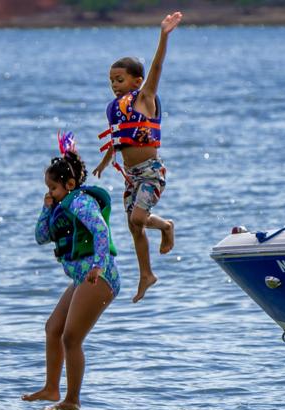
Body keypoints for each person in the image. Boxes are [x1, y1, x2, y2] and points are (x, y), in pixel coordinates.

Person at [23, 132, 120, 410]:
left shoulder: (80, 201)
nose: (50, 192)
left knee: (71, 337)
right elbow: (41, 237)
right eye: (48, 188)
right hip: (82, 277)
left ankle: (72, 401)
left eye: (53, 188)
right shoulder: (60, 204)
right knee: (53, 328)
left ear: (70, 184)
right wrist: (46, 208)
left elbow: (100, 230)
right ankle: (52, 389)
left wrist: (99, 265)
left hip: (99, 275)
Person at [93, 11, 182, 303]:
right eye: (111, 81)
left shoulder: (144, 100)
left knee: (140, 216)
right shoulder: (115, 109)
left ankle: (167, 227)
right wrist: (104, 163)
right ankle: (146, 274)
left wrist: (164, 35)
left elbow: (157, 67)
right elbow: (119, 141)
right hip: (131, 176)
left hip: (150, 172)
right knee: (134, 226)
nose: (114, 85)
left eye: (119, 79)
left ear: (137, 81)